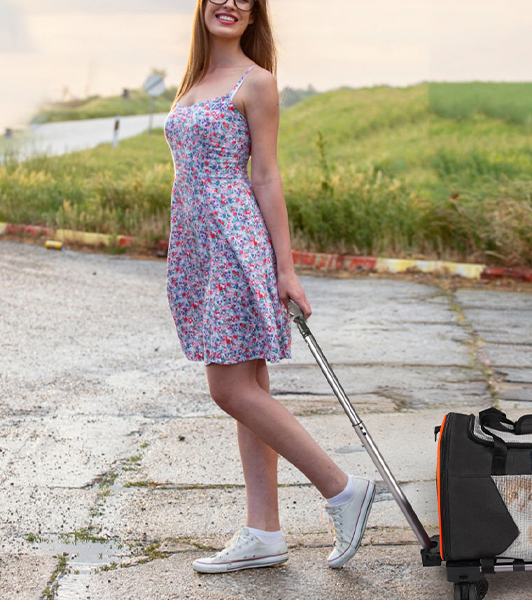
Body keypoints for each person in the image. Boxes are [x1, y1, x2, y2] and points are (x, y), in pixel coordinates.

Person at [162, 0, 375, 574]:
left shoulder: (257, 83)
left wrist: (286, 267)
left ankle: (341, 487)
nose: (229, 3)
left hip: (235, 242)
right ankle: (263, 531)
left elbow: (266, 175)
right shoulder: (192, 82)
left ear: (254, 15)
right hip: (199, 249)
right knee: (250, 390)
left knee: (229, 388)